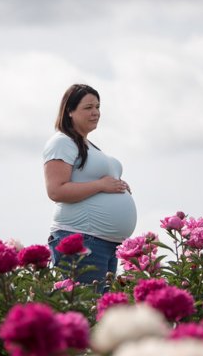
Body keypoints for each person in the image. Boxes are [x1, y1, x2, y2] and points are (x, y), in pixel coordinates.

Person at [42, 83, 137, 285]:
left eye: (97, 107)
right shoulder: (62, 142)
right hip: (82, 240)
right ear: (69, 111)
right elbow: (56, 190)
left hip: (106, 244)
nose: (95, 113)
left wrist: (116, 185)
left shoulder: (88, 146)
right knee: (86, 309)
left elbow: (91, 178)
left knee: (99, 311)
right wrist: (102, 186)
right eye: (88, 108)